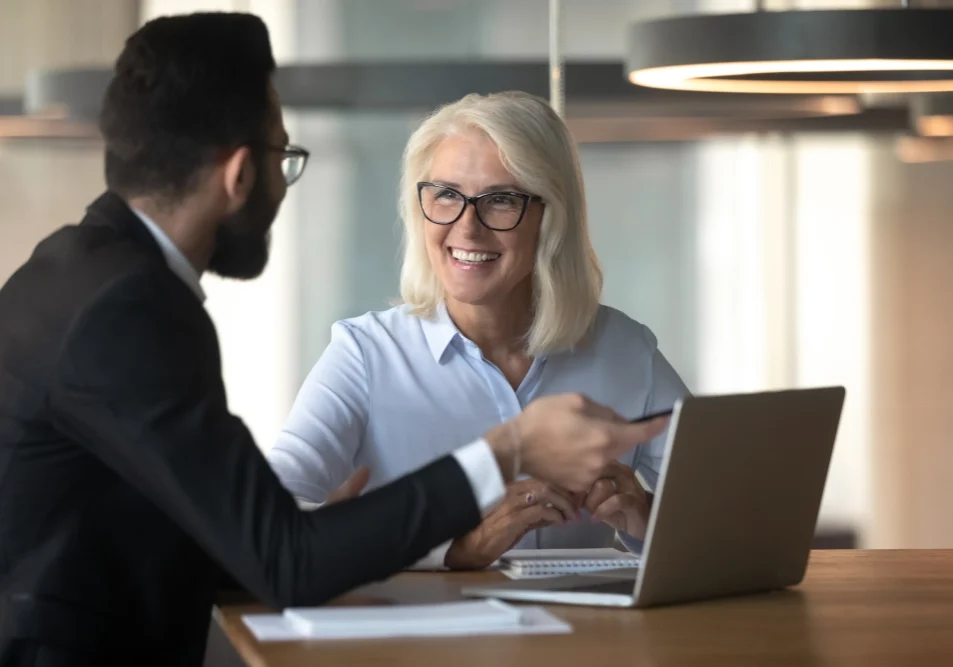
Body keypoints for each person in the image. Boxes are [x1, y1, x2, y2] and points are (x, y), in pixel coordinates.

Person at [0, 14, 669, 666]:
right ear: (239, 175)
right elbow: (282, 557)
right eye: (281, 158)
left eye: (500, 200)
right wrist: (509, 448)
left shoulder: (72, 272)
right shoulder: (131, 308)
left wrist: (335, 534)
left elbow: (242, 539)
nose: (468, 225)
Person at [268, 91, 690, 571]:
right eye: (446, 194)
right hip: (420, 643)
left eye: (501, 200)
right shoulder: (366, 355)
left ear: (551, 217)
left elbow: (726, 512)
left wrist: (647, 518)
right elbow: (271, 527)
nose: (466, 228)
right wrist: (453, 548)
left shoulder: (627, 351)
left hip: (587, 643)